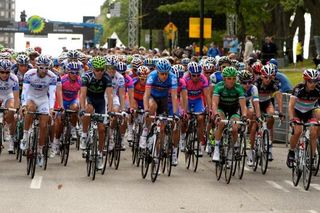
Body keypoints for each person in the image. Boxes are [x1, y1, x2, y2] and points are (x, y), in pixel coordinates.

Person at [20, 55, 57, 167]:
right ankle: (25, 137)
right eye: (41, 68)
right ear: (37, 66)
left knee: (44, 125)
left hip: (43, 100)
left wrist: (51, 108)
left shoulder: (52, 77)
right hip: (31, 98)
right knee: (30, 109)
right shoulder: (29, 74)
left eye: (46, 68)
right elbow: (24, 92)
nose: (44, 70)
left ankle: (40, 151)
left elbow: (52, 95)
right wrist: (23, 105)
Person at [79, 56, 113, 170]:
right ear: (93, 69)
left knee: (102, 129)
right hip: (90, 99)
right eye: (97, 70)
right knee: (88, 110)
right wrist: (82, 108)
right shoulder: (86, 77)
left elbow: (109, 95)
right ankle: (84, 135)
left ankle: (100, 154)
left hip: (100, 101)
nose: (99, 72)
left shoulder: (107, 77)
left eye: (102, 69)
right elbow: (82, 94)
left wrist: (110, 111)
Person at [211, 67, 247, 162]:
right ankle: (217, 149)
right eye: (229, 78)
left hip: (233, 110)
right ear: (224, 79)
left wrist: (244, 116)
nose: (232, 81)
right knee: (221, 123)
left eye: (234, 78)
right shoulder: (219, 86)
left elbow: (243, 106)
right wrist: (216, 115)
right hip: (221, 108)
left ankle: (232, 148)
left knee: (235, 128)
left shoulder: (238, 87)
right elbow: (214, 103)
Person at [286, 69, 320, 168]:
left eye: (315, 81)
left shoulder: (318, 89)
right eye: (310, 81)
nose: (313, 84)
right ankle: (291, 152)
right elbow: (291, 106)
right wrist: (292, 119)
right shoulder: (298, 89)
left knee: (314, 131)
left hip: (310, 112)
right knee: (297, 131)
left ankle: (312, 158)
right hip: (297, 112)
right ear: (305, 81)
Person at [0, 59, 20, 153]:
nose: (4, 74)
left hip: (9, 95)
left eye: (7, 72)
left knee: (11, 110)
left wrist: (16, 109)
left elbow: (16, 97)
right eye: (2, 72)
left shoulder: (14, 78)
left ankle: (8, 131)